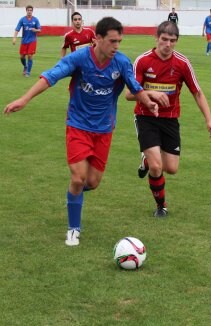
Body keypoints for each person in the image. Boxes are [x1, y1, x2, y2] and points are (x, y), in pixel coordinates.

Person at [4, 17, 168, 246]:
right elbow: (50, 77)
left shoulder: (121, 62)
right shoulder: (80, 58)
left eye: (119, 41)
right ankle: (73, 229)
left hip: (104, 129)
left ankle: (73, 196)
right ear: (98, 39)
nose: (116, 46)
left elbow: (135, 87)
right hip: (78, 125)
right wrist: (24, 99)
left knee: (92, 182)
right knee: (79, 177)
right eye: (112, 41)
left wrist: (147, 101)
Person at [127, 21, 211, 218]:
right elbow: (128, 93)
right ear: (156, 38)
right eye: (164, 39)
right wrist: (149, 93)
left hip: (169, 119)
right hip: (146, 117)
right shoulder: (143, 61)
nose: (168, 44)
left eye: (173, 41)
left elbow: (198, 93)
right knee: (157, 166)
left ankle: (146, 160)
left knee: (172, 168)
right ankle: (161, 206)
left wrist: (209, 120)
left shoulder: (182, 63)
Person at [13, 5, 41, 77]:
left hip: (32, 41)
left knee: (30, 55)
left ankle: (28, 72)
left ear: (32, 11)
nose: (29, 11)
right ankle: (25, 66)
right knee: (22, 57)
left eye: (30, 10)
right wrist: (14, 38)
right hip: (24, 41)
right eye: (28, 10)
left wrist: (36, 30)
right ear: (26, 11)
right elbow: (17, 29)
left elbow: (40, 29)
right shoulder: (22, 19)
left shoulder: (35, 20)